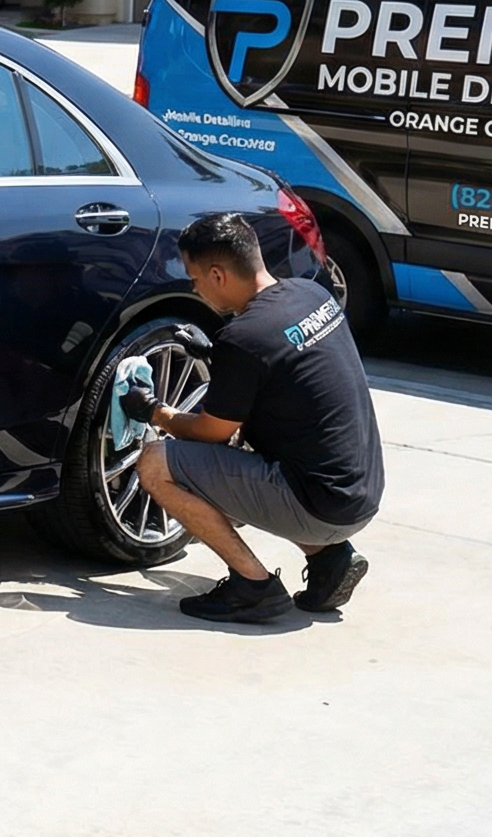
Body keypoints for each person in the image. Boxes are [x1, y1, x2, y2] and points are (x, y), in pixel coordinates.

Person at [120, 212, 382, 623]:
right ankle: (331, 560)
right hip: (361, 493)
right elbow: (282, 369)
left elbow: (210, 434)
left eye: (195, 278)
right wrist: (215, 357)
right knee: (274, 454)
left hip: (321, 507)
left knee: (156, 464)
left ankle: (253, 588)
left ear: (219, 275)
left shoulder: (244, 338)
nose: (194, 287)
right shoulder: (311, 296)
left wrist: (156, 411)